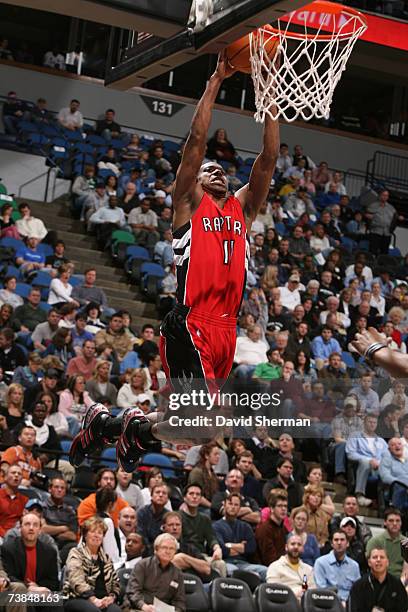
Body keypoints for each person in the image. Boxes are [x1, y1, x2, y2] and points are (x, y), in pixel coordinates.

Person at [69, 49, 279, 471]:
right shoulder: (188, 203)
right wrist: (216, 80)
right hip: (192, 322)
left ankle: (111, 424)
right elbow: (197, 143)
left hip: (226, 330)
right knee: (204, 422)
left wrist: (270, 94)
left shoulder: (243, 209)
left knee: (196, 430)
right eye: (209, 170)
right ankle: (120, 426)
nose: (217, 171)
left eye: (222, 170)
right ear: (194, 180)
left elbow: (268, 160)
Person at [63, 516, 121, 612]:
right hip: (78, 597)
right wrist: (93, 599)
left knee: (116, 611)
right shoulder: (76, 553)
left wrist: (111, 598)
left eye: (100, 533)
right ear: (85, 535)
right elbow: (76, 580)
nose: (96, 535)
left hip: (103, 598)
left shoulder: (106, 558)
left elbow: (115, 582)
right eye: (92, 531)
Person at [1, 512, 59, 599]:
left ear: (40, 530)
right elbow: (9, 576)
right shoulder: (8, 548)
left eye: (35, 525)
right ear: (20, 528)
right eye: (27, 524)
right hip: (17, 593)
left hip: (41, 592)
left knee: (55, 602)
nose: (31, 528)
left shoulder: (50, 551)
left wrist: (38, 587)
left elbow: (53, 582)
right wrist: (29, 587)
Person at [124, 533, 186, 612]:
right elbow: (133, 592)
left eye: (171, 549)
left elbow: (179, 601)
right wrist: (143, 606)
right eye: (164, 547)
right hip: (137, 608)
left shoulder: (178, 573)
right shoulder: (143, 565)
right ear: (156, 549)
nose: (168, 551)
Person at [213, 492, 267, 579]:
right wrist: (241, 547)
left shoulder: (245, 526)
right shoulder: (216, 526)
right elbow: (223, 550)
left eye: (236, 505)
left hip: (244, 563)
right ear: (224, 505)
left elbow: (251, 548)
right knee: (234, 572)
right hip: (226, 562)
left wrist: (229, 545)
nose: (233, 507)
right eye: (230, 504)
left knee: (265, 570)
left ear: (239, 508)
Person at [345, 414, 388, 507]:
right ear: (364, 423)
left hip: (379, 468)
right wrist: (369, 460)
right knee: (365, 462)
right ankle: (359, 495)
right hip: (363, 466)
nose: (372, 424)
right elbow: (350, 454)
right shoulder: (355, 435)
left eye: (374, 422)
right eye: (370, 422)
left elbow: (387, 457)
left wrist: (379, 463)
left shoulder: (381, 440)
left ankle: (388, 501)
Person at [349, 547, 408, 612]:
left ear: (387, 562)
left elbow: (403, 608)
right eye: (375, 557)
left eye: (382, 557)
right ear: (369, 562)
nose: (378, 560)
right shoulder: (358, 586)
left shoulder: (397, 585)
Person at [314, 530, 361, 605]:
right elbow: (321, 590)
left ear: (347, 543)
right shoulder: (320, 563)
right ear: (332, 544)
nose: (339, 543)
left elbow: (358, 591)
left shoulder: (354, 566)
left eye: (342, 540)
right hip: (328, 604)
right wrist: (339, 603)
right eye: (336, 540)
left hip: (349, 605)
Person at [266, 533, 316, 598]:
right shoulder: (275, 567)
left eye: (299, 545)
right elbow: (273, 592)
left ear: (303, 549)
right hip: (285, 604)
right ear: (286, 547)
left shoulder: (308, 569)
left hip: (305, 604)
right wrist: (296, 593)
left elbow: (313, 592)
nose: (296, 547)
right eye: (292, 544)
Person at [42, 476, 78, 564]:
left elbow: (73, 536)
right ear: (50, 489)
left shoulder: (70, 511)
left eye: (62, 488)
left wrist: (53, 532)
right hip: (46, 542)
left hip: (65, 546)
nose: (59, 490)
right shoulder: (42, 507)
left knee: (74, 547)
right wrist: (63, 528)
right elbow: (42, 529)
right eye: (56, 487)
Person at [366, 508, 406, 579]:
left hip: (401, 580)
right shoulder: (375, 541)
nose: (394, 524)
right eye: (391, 521)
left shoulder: (406, 543)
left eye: (398, 521)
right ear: (385, 522)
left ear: (401, 523)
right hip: (380, 579)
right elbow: (371, 564)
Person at [255, 489, 289, 566]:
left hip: (282, 565)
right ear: (272, 509)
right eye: (280, 506)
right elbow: (269, 559)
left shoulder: (283, 529)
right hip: (268, 567)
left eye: (285, 506)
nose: (283, 509)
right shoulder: (264, 528)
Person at [137, 483, 169, 553]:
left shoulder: (168, 516)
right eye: (157, 492)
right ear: (151, 496)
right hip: (144, 551)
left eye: (164, 493)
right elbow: (141, 536)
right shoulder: (142, 513)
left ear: (167, 499)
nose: (160, 495)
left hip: (163, 551)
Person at [0, 465, 28, 540]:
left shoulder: (25, 500)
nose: (16, 475)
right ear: (5, 477)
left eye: (19, 474)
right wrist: (5, 535)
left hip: (18, 535)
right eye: (13, 473)